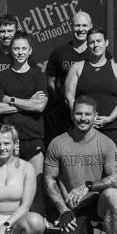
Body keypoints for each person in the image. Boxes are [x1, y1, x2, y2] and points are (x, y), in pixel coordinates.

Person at [43, 96, 117, 234]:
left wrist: (88, 186)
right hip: (73, 206)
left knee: (114, 195)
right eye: (79, 113)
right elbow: (49, 179)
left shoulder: (106, 143)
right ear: (72, 115)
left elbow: (116, 179)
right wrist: (62, 209)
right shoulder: (57, 143)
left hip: (98, 202)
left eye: (88, 114)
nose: (83, 118)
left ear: (95, 116)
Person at [0, 31, 49, 179]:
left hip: (33, 138)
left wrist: (11, 99)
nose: (20, 52)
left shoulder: (38, 75)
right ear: (11, 50)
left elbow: (39, 106)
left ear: (30, 51)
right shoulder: (1, 76)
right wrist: (29, 102)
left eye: (24, 49)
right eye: (16, 49)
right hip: (8, 139)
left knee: (36, 188)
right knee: (11, 186)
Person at [63, 27, 117, 150]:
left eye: (99, 41)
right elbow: (69, 97)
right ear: (87, 45)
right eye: (92, 42)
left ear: (106, 43)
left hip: (111, 128)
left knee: (111, 167)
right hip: (84, 128)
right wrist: (84, 118)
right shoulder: (77, 67)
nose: (96, 45)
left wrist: (110, 118)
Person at [45, 11, 92, 139]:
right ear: (71, 27)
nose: (81, 29)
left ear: (90, 27)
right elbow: (50, 80)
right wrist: (61, 98)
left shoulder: (98, 53)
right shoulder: (59, 53)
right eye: (77, 26)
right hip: (64, 113)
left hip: (90, 113)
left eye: (84, 25)